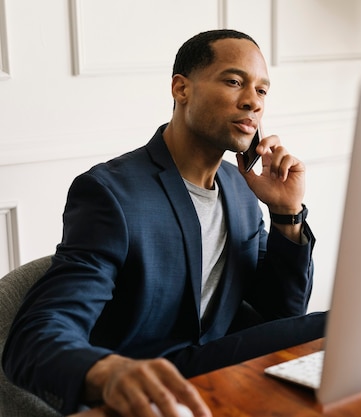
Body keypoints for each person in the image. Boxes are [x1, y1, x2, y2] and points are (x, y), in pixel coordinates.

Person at [2, 29, 326, 417]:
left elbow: (281, 314)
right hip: (153, 383)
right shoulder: (110, 193)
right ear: (181, 88)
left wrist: (286, 214)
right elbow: (36, 336)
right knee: (337, 328)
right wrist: (107, 372)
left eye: (261, 91)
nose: (252, 102)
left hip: (221, 375)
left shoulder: (240, 191)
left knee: (338, 330)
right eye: (234, 81)